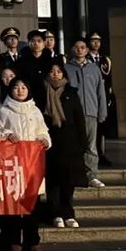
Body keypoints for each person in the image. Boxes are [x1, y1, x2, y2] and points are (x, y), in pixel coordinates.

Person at [0, 77, 51, 251]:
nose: (20, 90)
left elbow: (43, 131)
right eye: (16, 87)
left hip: (32, 165)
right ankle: (14, 241)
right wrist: (7, 134)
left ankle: (33, 242)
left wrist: (44, 140)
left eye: (23, 87)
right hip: (13, 166)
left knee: (33, 206)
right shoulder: (4, 110)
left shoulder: (35, 110)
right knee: (14, 206)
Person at [42, 63, 87, 229]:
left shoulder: (71, 93)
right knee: (53, 182)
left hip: (70, 143)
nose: (55, 74)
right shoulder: (42, 92)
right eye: (52, 71)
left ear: (63, 74)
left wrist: (83, 143)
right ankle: (55, 213)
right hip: (50, 143)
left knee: (68, 182)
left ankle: (68, 213)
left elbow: (79, 119)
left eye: (58, 71)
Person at [64, 38, 107, 188]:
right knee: (73, 145)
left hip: (90, 112)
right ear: (72, 49)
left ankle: (92, 176)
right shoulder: (66, 68)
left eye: (83, 47)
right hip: (72, 114)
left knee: (91, 146)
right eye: (77, 47)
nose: (80, 50)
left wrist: (102, 112)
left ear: (87, 50)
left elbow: (100, 91)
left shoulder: (94, 69)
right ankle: (74, 176)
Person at [87, 32, 115, 166]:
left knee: (102, 129)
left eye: (98, 41)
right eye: (93, 41)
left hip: (102, 98)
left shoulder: (105, 60)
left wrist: (108, 98)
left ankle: (101, 154)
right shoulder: (85, 59)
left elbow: (108, 81)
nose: (96, 43)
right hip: (90, 97)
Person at [15, 30, 58, 111]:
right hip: (28, 97)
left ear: (44, 43)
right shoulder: (22, 61)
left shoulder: (51, 61)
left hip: (47, 97)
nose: (36, 44)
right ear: (29, 43)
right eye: (33, 41)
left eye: (39, 41)